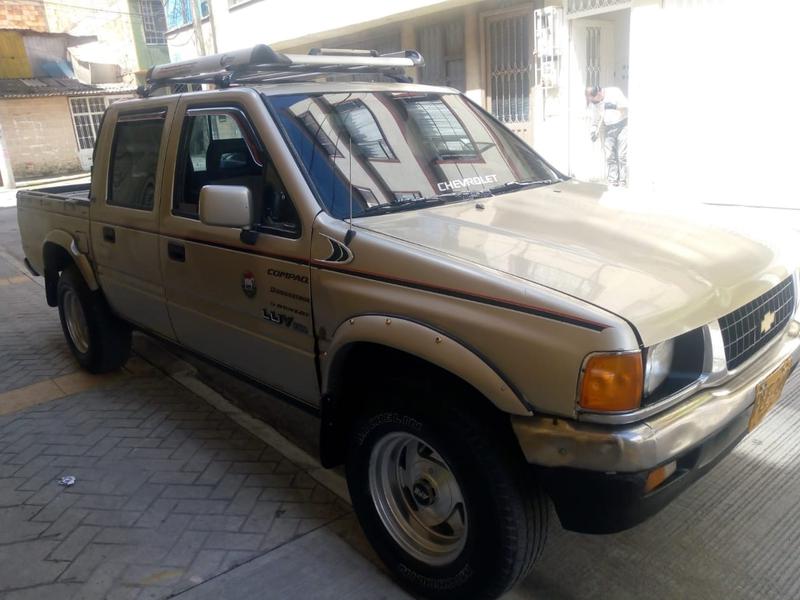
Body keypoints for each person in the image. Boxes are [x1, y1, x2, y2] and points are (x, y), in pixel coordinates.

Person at [586, 85, 628, 187]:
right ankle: (613, 180)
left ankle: (623, 181)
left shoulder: (614, 91)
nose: (595, 103)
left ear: (599, 93)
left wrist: (614, 106)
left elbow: (627, 106)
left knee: (622, 155)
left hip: (622, 125)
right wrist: (593, 131)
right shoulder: (595, 103)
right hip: (608, 128)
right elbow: (595, 119)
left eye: (595, 100)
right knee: (610, 155)